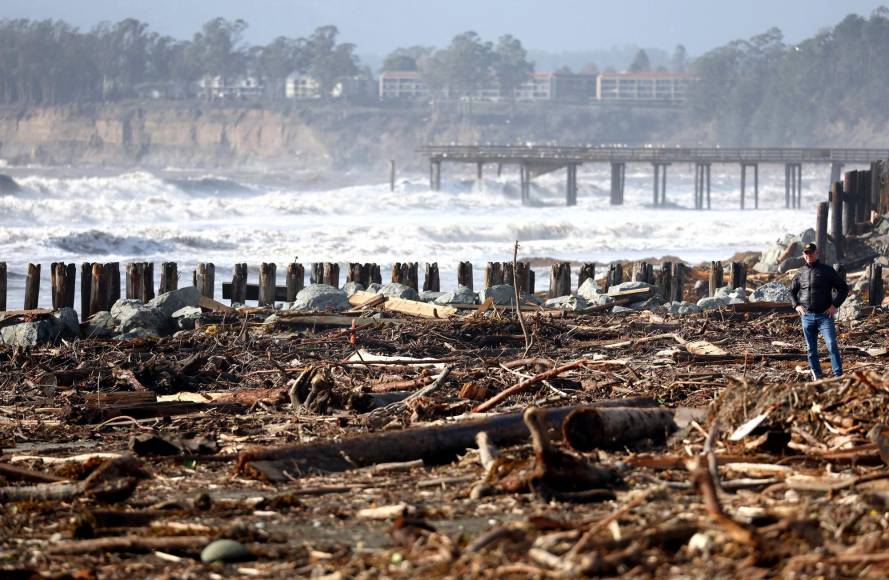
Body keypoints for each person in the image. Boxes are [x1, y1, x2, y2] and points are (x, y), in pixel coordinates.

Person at [789, 242, 849, 380]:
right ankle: (817, 375)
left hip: (824, 316)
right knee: (811, 349)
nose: (809, 255)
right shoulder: (800, 272)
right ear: (803, 255)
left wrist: (834, 305)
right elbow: (792, 291)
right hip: (807, 316)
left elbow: (843, 289)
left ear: (817, 253)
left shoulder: (827, 271)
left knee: (832, 344)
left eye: (811, 252)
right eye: (806, 253)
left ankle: (838, 376)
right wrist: (796, 305)